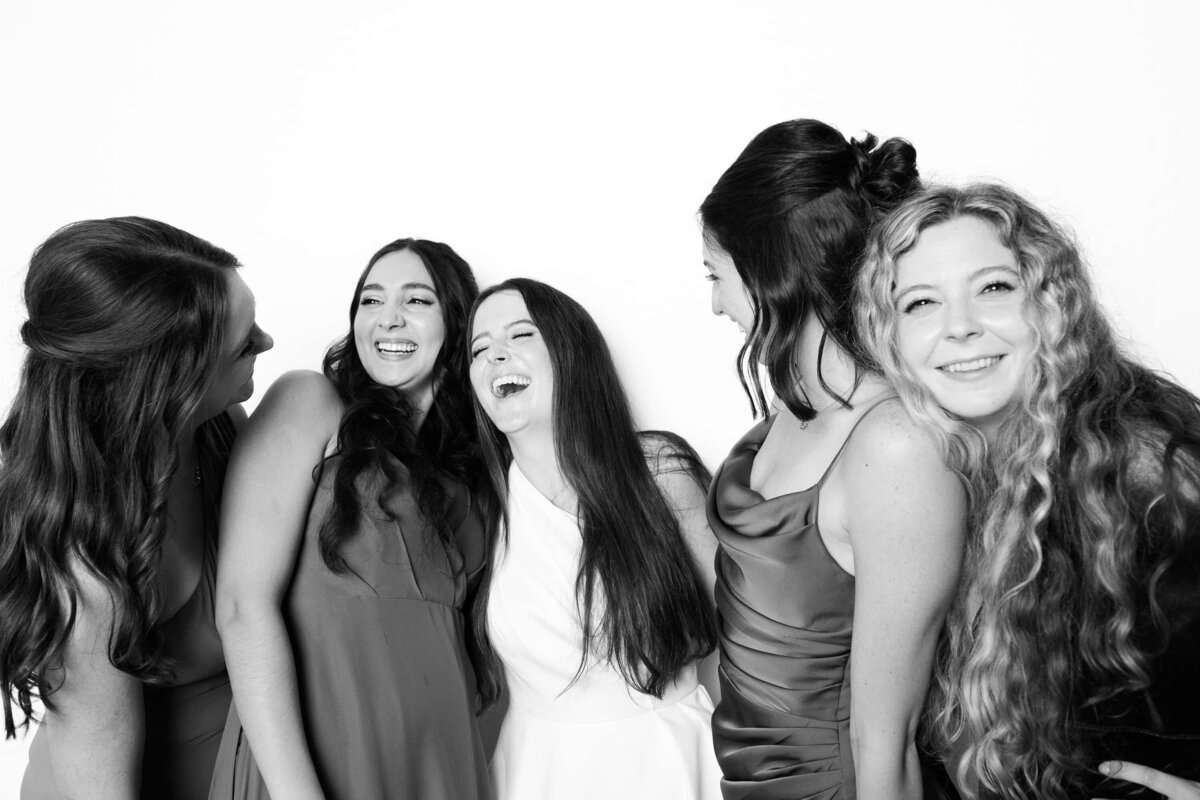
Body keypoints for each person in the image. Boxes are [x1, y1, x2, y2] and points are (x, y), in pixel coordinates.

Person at [856, 182, 1200, 800]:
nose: (959, 327)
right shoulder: (946, 472)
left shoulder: (1150, 475)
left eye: (993, 288)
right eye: (921, 302)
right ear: (890, 337)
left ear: (1050, 303)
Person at [698, 118, 968, 800]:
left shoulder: (896, 446)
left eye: (716, 275)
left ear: (771, 272)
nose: (715, 305)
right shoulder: (787, 416)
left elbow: (887, 741)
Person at [209, 239, 492, 800]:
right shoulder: (309, 401)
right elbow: (242, 607)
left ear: (457, 322)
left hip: (443, 757)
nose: (389, 318)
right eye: (371, 300)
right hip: (318, 756)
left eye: (417, 300)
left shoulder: (469, 467)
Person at [0, 217, 272, 800]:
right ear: (172, 380)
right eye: (244, 343)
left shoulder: (217, 426)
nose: (267, 342)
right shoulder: (84, 571)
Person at [467, 278, 722, 800]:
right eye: (479, 348)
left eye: (520, 334)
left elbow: (735, 647)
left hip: (671, 768)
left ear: (571, 354)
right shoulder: (484, 506)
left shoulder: (659, 472)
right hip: (536, 776)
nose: (495, 354)